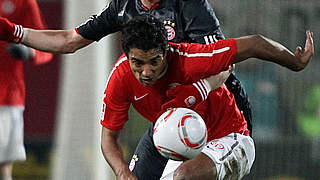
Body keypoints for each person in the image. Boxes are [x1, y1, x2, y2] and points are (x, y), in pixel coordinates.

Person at [100, 15, 314, 180]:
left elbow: (254, 44)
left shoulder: (192, 59)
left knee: (184, 177)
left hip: (227, 137)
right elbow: (109, 138)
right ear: (127, 56)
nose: (146, 72)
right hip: (170, 140)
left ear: (166, 51)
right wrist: (121, 171)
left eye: (154, 62)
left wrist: (294, 63)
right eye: (138, 63)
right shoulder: (119, 78)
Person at [0, 0, 53, 179]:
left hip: (6, 96)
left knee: (3, 167)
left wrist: (29, 51)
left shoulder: (23, 3)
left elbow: (47, 45)